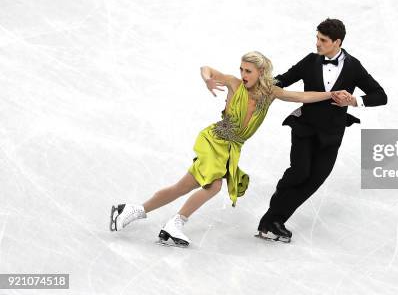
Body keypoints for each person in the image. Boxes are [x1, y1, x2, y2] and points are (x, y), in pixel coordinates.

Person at [109, 51, 347, 247]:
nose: (243, 75)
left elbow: (299, 96)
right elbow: (208, 68)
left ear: (261, 73)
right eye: (242, 69)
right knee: (213, 186)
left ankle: (131, 210)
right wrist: (207, 79)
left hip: (232, 148)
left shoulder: (269, 93)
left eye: (248, 71)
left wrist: (330, 94)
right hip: (215, 140)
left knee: (183, 186)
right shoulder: (234, 84)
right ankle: (175, 223)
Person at [257, 18, 387, 243]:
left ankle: (274, 219)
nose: (317, 43)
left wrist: (354, 101)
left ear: (337, 42)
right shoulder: (310, 61)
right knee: (299, 172)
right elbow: (284, 79)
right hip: (305, 128)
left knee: (314, 180)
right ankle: (273, 217)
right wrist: (259, 85)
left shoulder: (353, 66)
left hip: (331, 135)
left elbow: (380, 96)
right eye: (317, 38)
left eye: (322, 40)